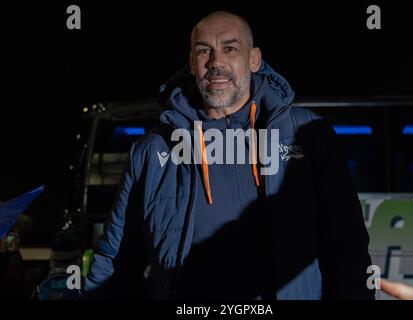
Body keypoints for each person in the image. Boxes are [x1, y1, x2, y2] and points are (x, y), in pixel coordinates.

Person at [84, 11, 374, 300]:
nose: (216, 62)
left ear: (254, 60)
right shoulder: (153, 149)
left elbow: (346, 246)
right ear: (191, 64)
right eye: (203, 51)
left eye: (230, 48)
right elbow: (116, 258)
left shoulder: (309, 134)